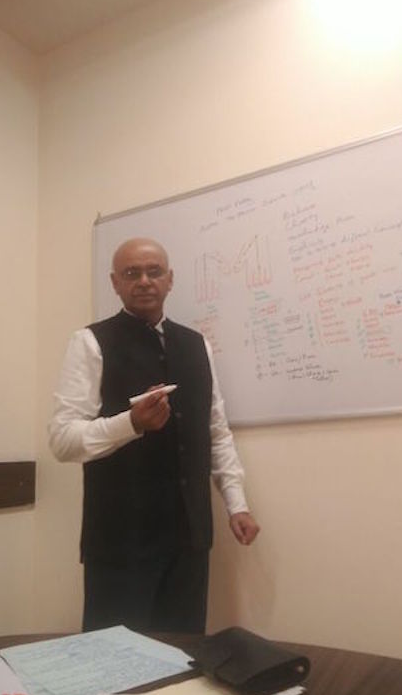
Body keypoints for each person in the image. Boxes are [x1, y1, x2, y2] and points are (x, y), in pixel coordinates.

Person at [49, 237, 260, 634]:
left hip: (189, 540)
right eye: (132, 273)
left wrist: (237, 505)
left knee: (184, 656)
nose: (144, 281)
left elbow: (215, 431)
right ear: (115, 283)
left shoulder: (197, 345)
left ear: (170, 279)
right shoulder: (90, 342)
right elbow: (62, 440)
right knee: (116, 662)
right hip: (119, 543)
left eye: (154, 271)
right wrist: (130, 423)